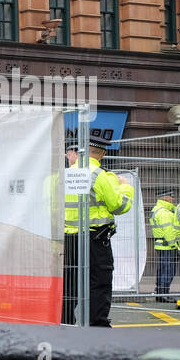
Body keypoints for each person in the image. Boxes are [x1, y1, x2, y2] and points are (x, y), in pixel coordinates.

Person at [62, 136, 132, 327]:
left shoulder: (64, 174)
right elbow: (119, 206)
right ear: (102, 154)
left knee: (69, 284)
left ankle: (64, 323)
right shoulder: (99, 175)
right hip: (94, 239)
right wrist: (125, 187)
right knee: (99, 283)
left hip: (68, 238)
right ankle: (96, 326)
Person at [150, 190, 180, 301]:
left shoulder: (159, 210)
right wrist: (176, 246)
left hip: (162, 245)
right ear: (165, 198)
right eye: (171, 196)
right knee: (168, 270)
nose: (173, 199)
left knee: (163, 269)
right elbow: (169, 231)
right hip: (168, 246)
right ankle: (163, 293)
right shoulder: (164, 212)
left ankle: (160, 292)